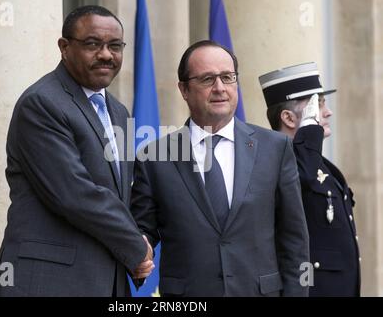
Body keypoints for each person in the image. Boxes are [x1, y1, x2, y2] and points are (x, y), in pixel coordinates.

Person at [0, 5, 154, 297]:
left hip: (105, 280)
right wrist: (136, 247)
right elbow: (74, 193)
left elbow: (119, 196)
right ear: (64, 47)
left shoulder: (119, 112)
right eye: (92, 44)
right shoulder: (42, 103)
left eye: (115, 46)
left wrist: (141, 241)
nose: (106, 54)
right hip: (49, 281)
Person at [130, 40, 309, 297]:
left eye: (228, 77)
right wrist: (137, 251)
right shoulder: (154, 157)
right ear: (184, 89)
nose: (220, 88)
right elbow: (142, 231)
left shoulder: (275, 148)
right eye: (207, 79)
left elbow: (296, 241)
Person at [259, 62, 360, 296]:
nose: (327, 112)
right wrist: (309, 132)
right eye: (317, 104)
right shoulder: (274, 164)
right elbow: (299, 179)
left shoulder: (325, 167)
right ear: (289, 118)